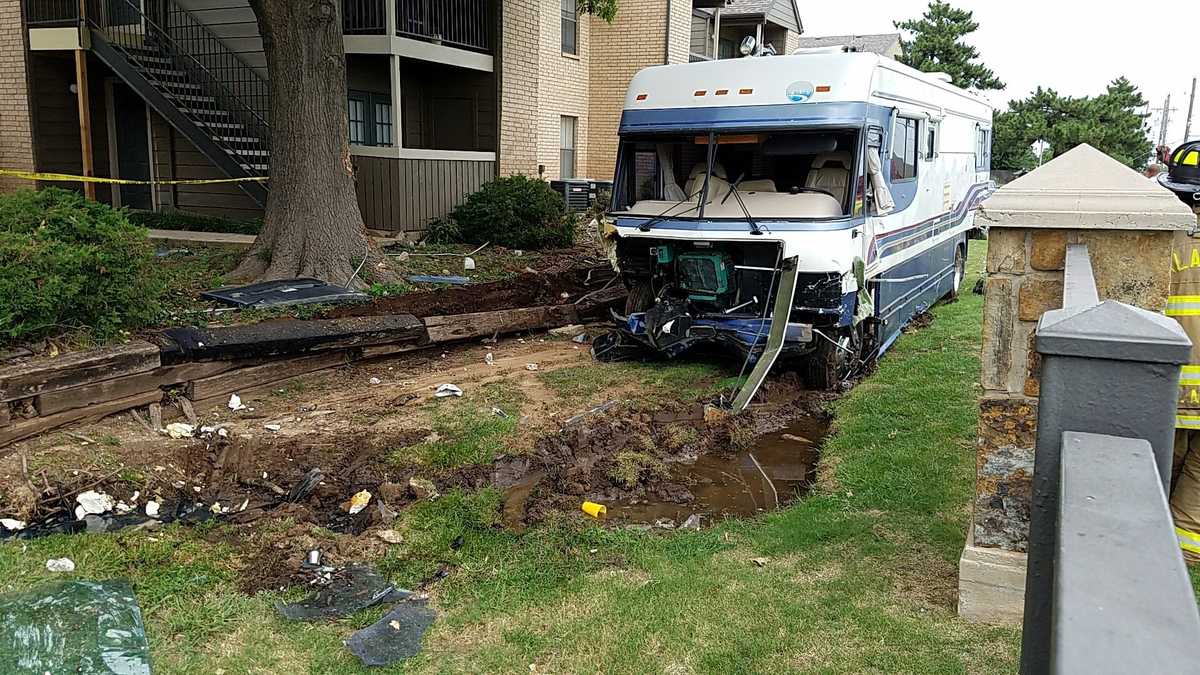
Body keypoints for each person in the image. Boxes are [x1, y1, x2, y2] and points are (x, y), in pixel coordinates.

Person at [1159, 140, 1200, 560]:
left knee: (1159, 466)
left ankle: (1148, 539)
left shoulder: (1161, 241)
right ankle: (1184, 552)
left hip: (1169, 384)